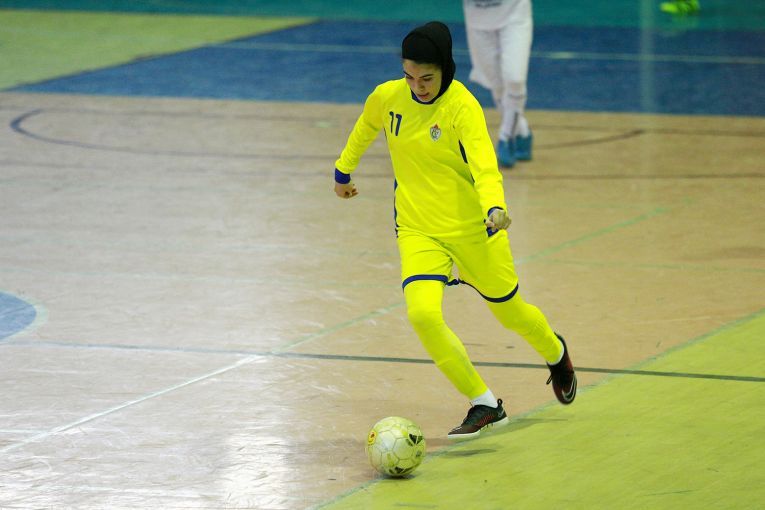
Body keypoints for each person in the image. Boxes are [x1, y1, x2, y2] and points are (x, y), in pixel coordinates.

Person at [333, 21, 576, 440]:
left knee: (510, 313)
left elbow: (484, 164)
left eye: (426, 78)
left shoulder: (463, 107)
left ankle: (556, 352)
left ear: (445, 68)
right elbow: (366, 125)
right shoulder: (388, 97)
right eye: (409, 76)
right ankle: (485, 402)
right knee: (422, 314)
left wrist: (495, 206)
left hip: (474, 228)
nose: (417, 86)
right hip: (417, 227)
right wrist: (343, 170)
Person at [462, 0, 534, 168]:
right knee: (496, 84)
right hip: (477, 19)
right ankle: (522, 131)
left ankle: (506, 137)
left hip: (514, 13)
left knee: (515, 79)